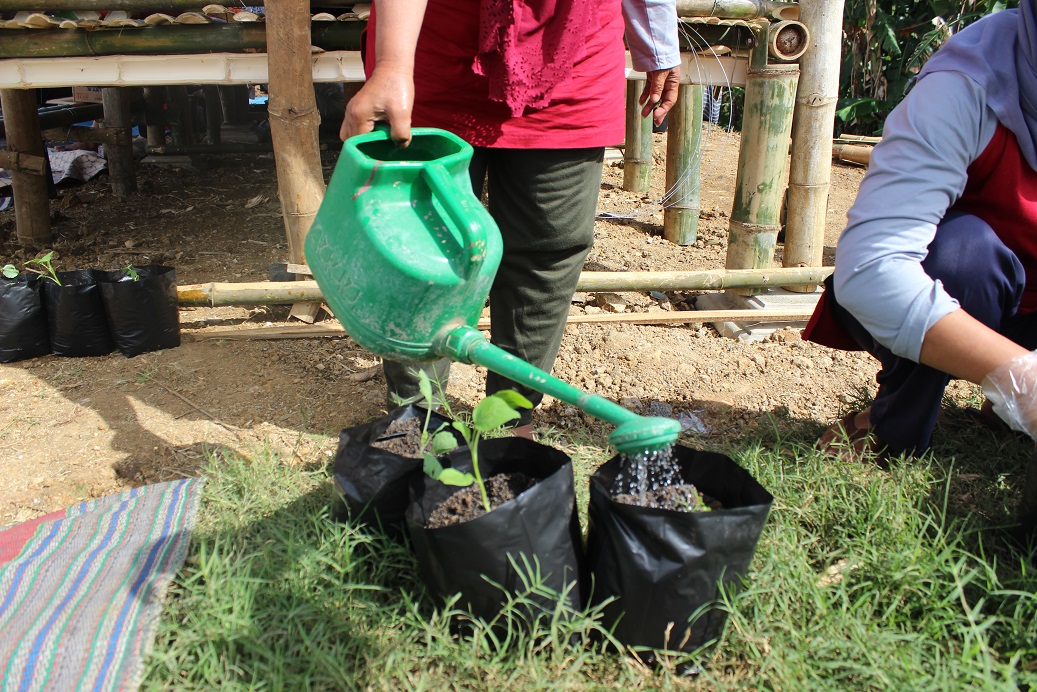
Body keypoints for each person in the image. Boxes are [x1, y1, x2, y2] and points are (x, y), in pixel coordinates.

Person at [340, 0, 681, 433]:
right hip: (432, 51)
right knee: (419, 245)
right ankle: (416, 415)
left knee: (548, 248)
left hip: (571, 55)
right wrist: (391, 64)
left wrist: (659, 45)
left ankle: (509, 416)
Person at [806, 2, 1037, 465]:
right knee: (962, 256)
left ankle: (1005, 408)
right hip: (974, 293)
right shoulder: (968, 84)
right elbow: (873, 268)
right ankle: (895, 425)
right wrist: (1023, 379)